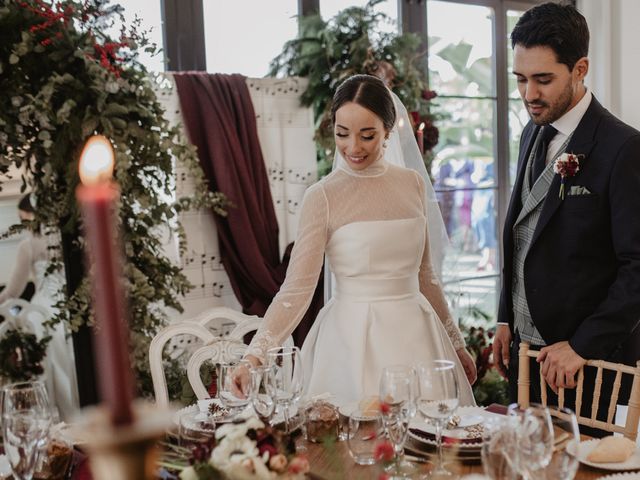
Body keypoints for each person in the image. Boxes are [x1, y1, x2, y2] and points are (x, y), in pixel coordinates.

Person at [234, 74, 477, 405]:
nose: (353, 147)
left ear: (388, 131)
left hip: (418, 336)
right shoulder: (322, 196)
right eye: (342, 134)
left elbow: (425, 275)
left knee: (428, 439)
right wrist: (254, 358)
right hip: (350, 341)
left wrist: (457, 343)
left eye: (367, 135)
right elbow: (296, 290)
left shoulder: (413, 185)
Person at [492, 2, 640, 433]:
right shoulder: (530, 133)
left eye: (543, 80)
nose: (528, 94)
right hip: (527, 354)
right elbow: (521, 232)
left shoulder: (623, 149)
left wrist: (580, 346)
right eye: (520, 79)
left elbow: (638, 267)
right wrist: (507, 318)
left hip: (588, 362)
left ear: (580, 69)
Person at [0, 194, 79, 420]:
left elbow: (13, 291)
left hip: (43, 313)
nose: (21, 220)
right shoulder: (68, 236)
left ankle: (56, 417)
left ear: (32, 213)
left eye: (22, 216)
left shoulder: (29, 244)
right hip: (72, 310)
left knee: (49, 367)